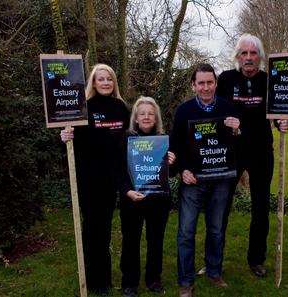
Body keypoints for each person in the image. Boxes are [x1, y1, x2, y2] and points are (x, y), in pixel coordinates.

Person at [216, 33, 288, 278]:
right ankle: (214, 260)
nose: (248, 58)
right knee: (221, 206)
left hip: (261, 152)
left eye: (253, 53)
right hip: (231, 152)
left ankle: (256, 259)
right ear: (237, 56)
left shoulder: (270, 81)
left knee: (261, 207)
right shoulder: (226, 79)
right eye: (244, 53)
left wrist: (283, 122)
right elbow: (214, 113)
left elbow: (282, 111)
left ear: (260, 56)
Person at [170, 63, 240, 297]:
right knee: (186, 232)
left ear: (216, 84)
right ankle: (185, 281)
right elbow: (174, 147)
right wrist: (181, 170)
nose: (206, 87)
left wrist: (238, 130)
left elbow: (238, 146)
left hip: (221, 180)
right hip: (193, 180)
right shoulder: (184, 111)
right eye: (201, 83)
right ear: (193, 85)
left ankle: (214, 271)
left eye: (210, 82)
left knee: (216, 230)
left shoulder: (229, 108)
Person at [60, 64, 130, 295]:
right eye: (101, 79)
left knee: (105, 229)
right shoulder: (83, 108)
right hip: (89, 178)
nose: (106, 83)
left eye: (109, 78)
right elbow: (73, 144)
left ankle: (105, 280)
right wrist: (65, 136)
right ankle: (93, 280)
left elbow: (129, 139)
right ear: (93, 82)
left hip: (111, 179)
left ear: (114, 82)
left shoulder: (121, 108)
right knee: (92, 230)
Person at [118, 96, 176, 297]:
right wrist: (127, 191)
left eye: (150, 114)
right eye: (142, 113)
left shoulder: (163, 140)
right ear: (135, 117)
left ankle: (153, 279)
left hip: (158, 200)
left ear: (156, 117)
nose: (146, 117)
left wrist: (172, 161)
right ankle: (129, 283)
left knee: (156, 241)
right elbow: (118, 170)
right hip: (132, 199)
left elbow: (171, 173)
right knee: (130, 241)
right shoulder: (125, 139)